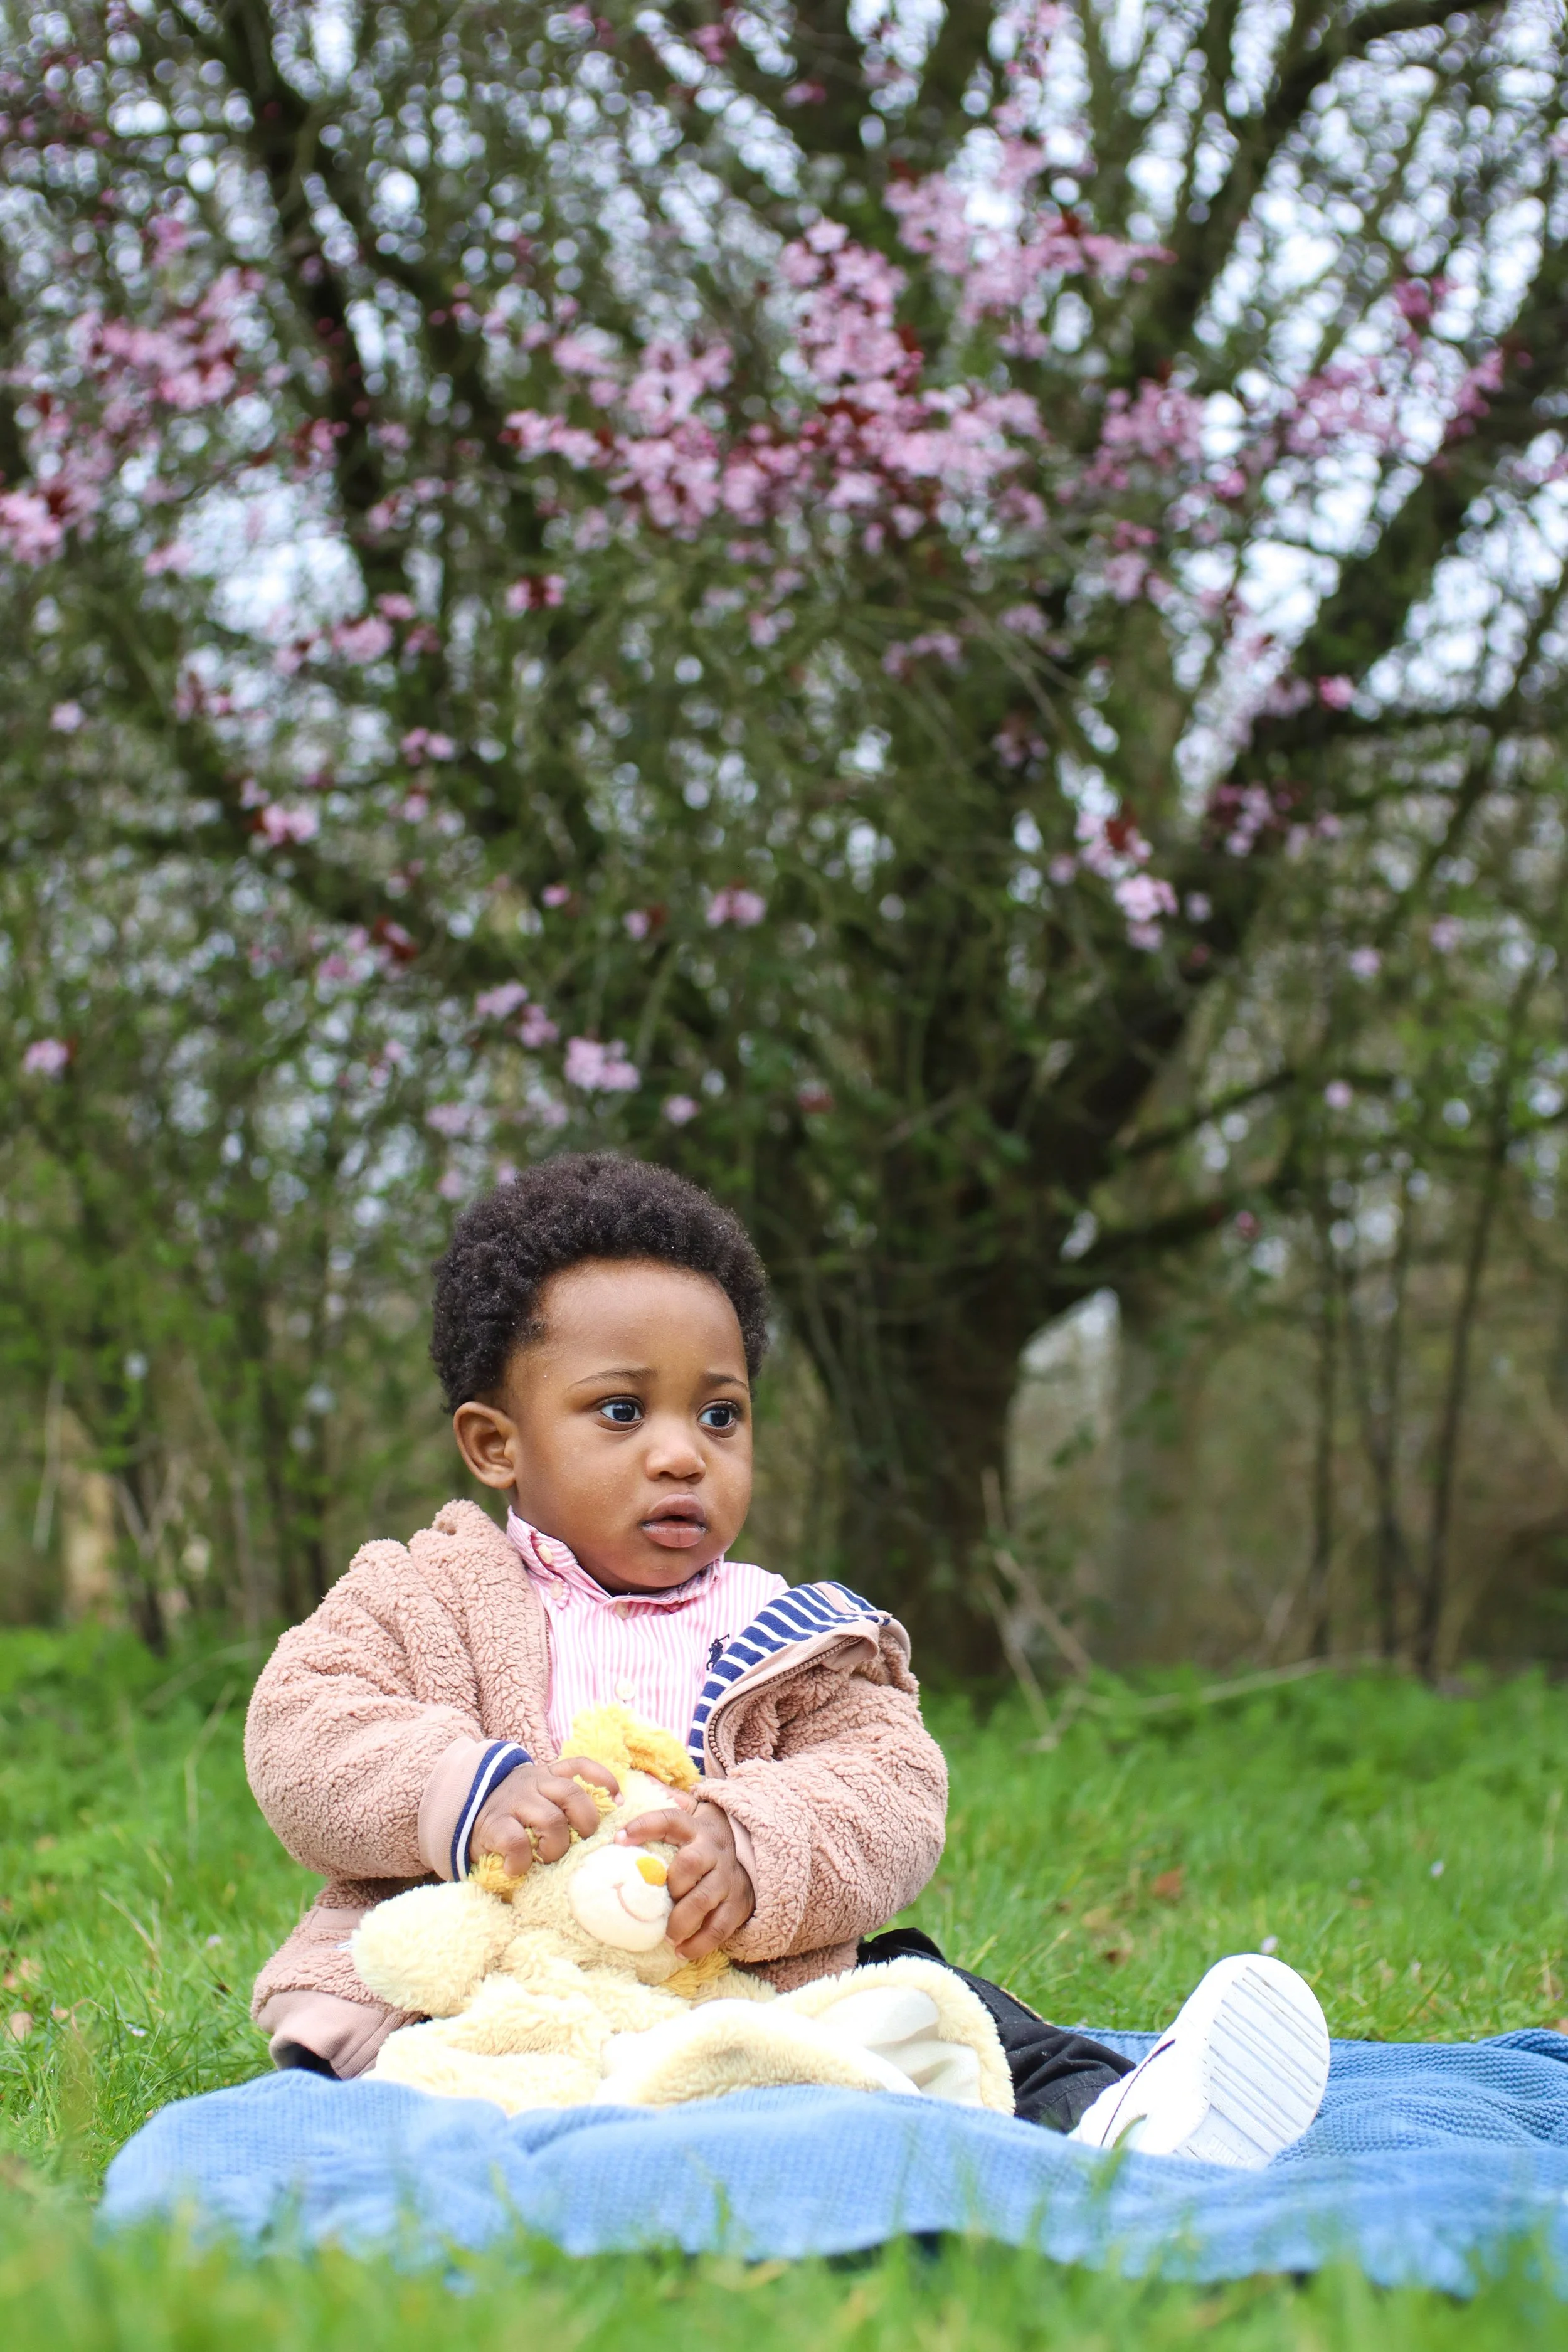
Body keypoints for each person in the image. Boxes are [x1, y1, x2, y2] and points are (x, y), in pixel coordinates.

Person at [246, 1153, 1329, 2162]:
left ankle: (1121, 2113)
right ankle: (410, 2148)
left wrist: (754, 1846)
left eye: (720, 1413)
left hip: (746, 1987)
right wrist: (465, 1792)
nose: (681, 1452)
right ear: (497, 1443)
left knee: (929, 1991)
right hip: (499, 1981)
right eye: (620, 1411)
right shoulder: (424, 1597)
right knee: (386, 2043)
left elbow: (891, 1791)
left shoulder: (795, 1635)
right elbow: (305, 1726)